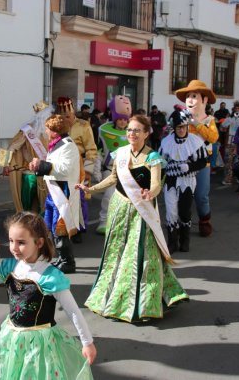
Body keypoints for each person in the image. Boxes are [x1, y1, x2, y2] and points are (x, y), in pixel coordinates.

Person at [77, 115, 189, 322]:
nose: (132, 134)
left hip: (141, 210)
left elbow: (156, 184)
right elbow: (112, 178)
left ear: (147, 133)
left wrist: (150, 194)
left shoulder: (152, 156)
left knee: (140, 255)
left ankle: (144, 303)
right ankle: (112, 297)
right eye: (129, 130)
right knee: (116, 252)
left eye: (137, 130)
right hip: (119, 208)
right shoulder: (119, 153)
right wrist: (90, 188)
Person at [0, 211, 96, 379]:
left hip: (41, 344)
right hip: (12, 339)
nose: (14, 248)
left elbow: (73, 311)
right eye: (11, 241)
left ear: (39, 243)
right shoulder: (10, 267)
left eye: (21, 242)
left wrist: (87, 343)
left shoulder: (50, 277)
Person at [29, 114, 82, 274]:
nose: (45, 131)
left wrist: (42, 165)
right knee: (51, 226)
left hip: (63, 192)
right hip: (55, 191)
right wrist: (38, 167)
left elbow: (64, 169)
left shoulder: (68, 145)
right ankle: (61, 257)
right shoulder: (57, 144)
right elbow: (53, 166)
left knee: (60, 228)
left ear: (54, 130)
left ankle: (68, 262)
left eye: (47, 128)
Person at [159, 109, 208, 253]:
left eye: (184, 127)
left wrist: (189, 166)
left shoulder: (196, 141)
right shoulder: (166, 142)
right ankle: (172, 242)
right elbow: (161, 162)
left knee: (184, 211)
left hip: (188, 180)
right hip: (171, 181)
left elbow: (203, 161)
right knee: (171, 211)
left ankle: (185, 241)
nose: (181, 130)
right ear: (174, 128)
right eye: (178, 127)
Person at [175, 80, 219, 237]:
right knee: (182, 195)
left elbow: (213, 137)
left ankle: (204, 220)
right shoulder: (181, 118)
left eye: (194, 96)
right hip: (183, 164)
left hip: (202, 164)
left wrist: (197, 124)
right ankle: (182, 223)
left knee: (201, 196)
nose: (190, 100)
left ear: (204, 100)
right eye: (188, 96)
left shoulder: (209, 120)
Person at [57, 97, 97, 243]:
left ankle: (78, 229)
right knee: (61, 198)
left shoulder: (83, 125)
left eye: (67, 116)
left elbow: (91, 149)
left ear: (73, 112)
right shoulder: (57, 125)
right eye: (62, 116)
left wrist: (87, 171)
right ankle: (63, 227)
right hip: (60, 167)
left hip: (78, 167)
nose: (65, 119)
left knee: (78, 199)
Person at [1, 101, 50, 213]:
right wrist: (4, 164)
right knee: (27, 207)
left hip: (47, 172)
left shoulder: (51, 131)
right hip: (30, 175)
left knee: (45, 207)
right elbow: (11, 146)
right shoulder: (27, 130)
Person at [94, 95, 130, 235]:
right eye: (120, 119)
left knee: (125, 199)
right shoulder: (104, 130)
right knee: (108, 196)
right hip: (110, 170)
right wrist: (96, 169)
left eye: (124, 119)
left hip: (127, 171)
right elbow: (99, 151)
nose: (122, 122)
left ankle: (121, 223)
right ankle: (104, 222)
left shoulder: (133, 132)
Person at [221, 101, 239, 186]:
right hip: (230, 141)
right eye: (236, 108)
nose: (237, 109)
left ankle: (238, 177)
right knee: (228, 161)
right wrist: (228, 122)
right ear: (234, 109)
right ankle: (228, 179)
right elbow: (222, 127)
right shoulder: (229, 118)